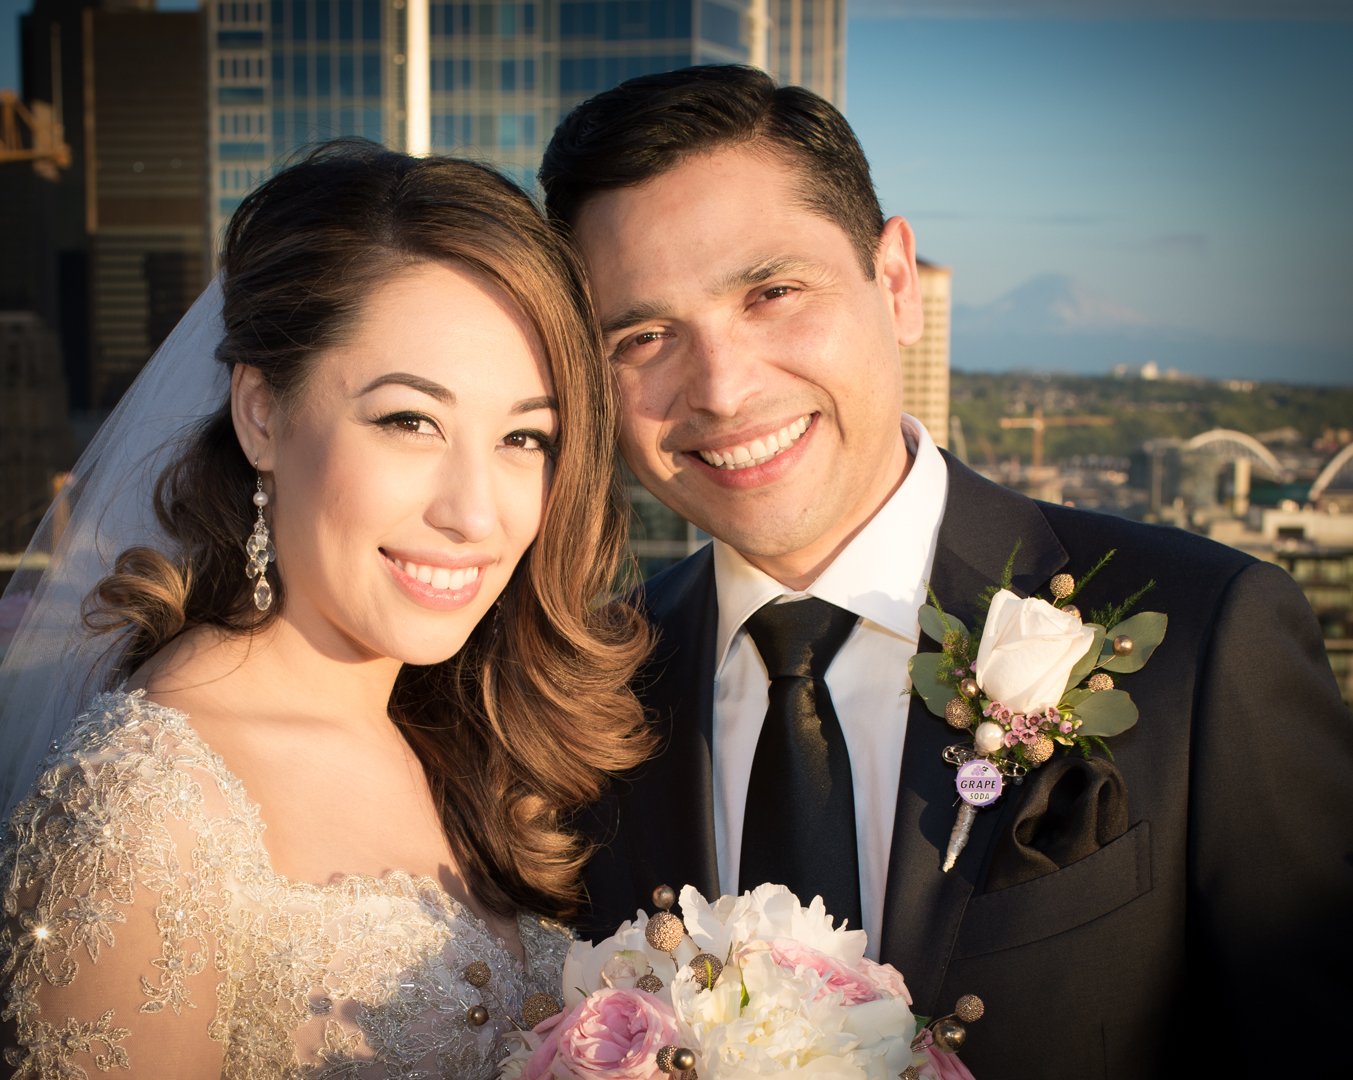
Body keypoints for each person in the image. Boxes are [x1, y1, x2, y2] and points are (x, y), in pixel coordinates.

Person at [540, 66, 1353, 1078]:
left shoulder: (1207, 637)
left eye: (772, 292)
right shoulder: (578, 694)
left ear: (894, 284)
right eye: (644, 336)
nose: (722, 388)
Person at [0, 141, 652, 1078]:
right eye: (408, 421)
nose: (473, 512)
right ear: (262, 413)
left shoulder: (462, 731)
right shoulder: (142, 811)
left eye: (523, 436)